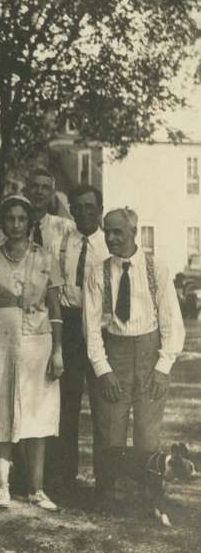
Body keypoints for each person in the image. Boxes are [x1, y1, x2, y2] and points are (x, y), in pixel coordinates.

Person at [83, 207, 184, 504]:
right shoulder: (98, 274)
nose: (111, 238)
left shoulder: (156, 269)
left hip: (150, 356)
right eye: (107, 232)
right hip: (115, 355)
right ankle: (110, 494)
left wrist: (163, 367)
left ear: (133, 233)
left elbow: (171, 323)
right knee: (110, 426)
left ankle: (149, 494)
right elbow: (90, 328)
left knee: (148, 431)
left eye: (118, 232)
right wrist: (104, 370)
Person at [0, 195, 64, 511]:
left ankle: (36, 489)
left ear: (30, 223)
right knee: (1, 408)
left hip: (37, 341)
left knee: (36, 411)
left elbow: (55, 309)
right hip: (0, 340)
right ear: (2, 223)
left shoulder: (45, 259)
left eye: (21, 219)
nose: (16, 224)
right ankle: (2, 487)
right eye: (10, 219)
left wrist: (57, 351)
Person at [45, 184, 109, 493]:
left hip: (100, 327)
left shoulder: (108, 245)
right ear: (70, 210)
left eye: (90, 207)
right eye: (78, 207)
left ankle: (106, 478)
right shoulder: (66, 241)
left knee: (102, 404)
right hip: (70, 326)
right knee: (67, 403)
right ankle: (64, 476)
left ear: (100, 209)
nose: (84, 213)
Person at [26, 167, 76, 254]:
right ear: (27, 191)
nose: (39, 191)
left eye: (45, 188)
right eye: (35, 186)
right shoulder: (15, 227)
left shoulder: (66, 228)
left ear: (52, 194)